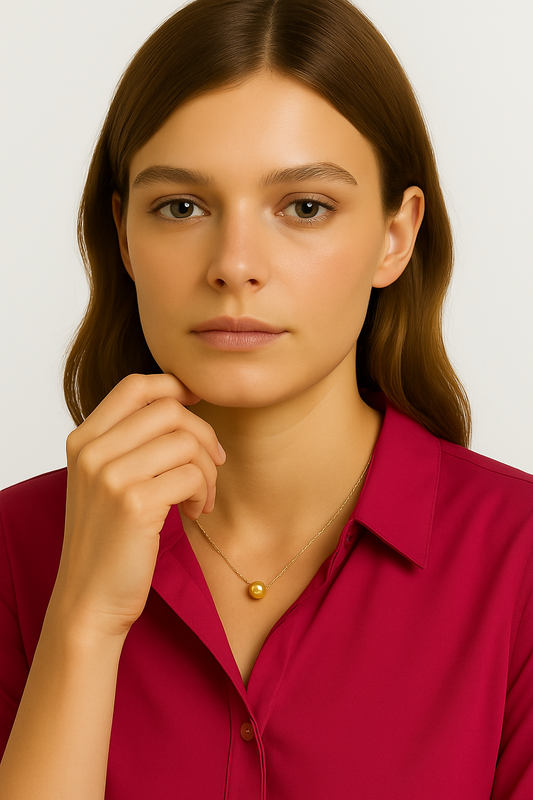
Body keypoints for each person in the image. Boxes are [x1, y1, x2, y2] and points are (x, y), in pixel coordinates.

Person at [0, 0, 532, 796]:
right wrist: (82, 623)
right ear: (123, 237)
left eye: (304, 207)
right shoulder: (15, 550)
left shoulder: (517, 561)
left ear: (395, 235)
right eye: (181, 207)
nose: (235, 264)